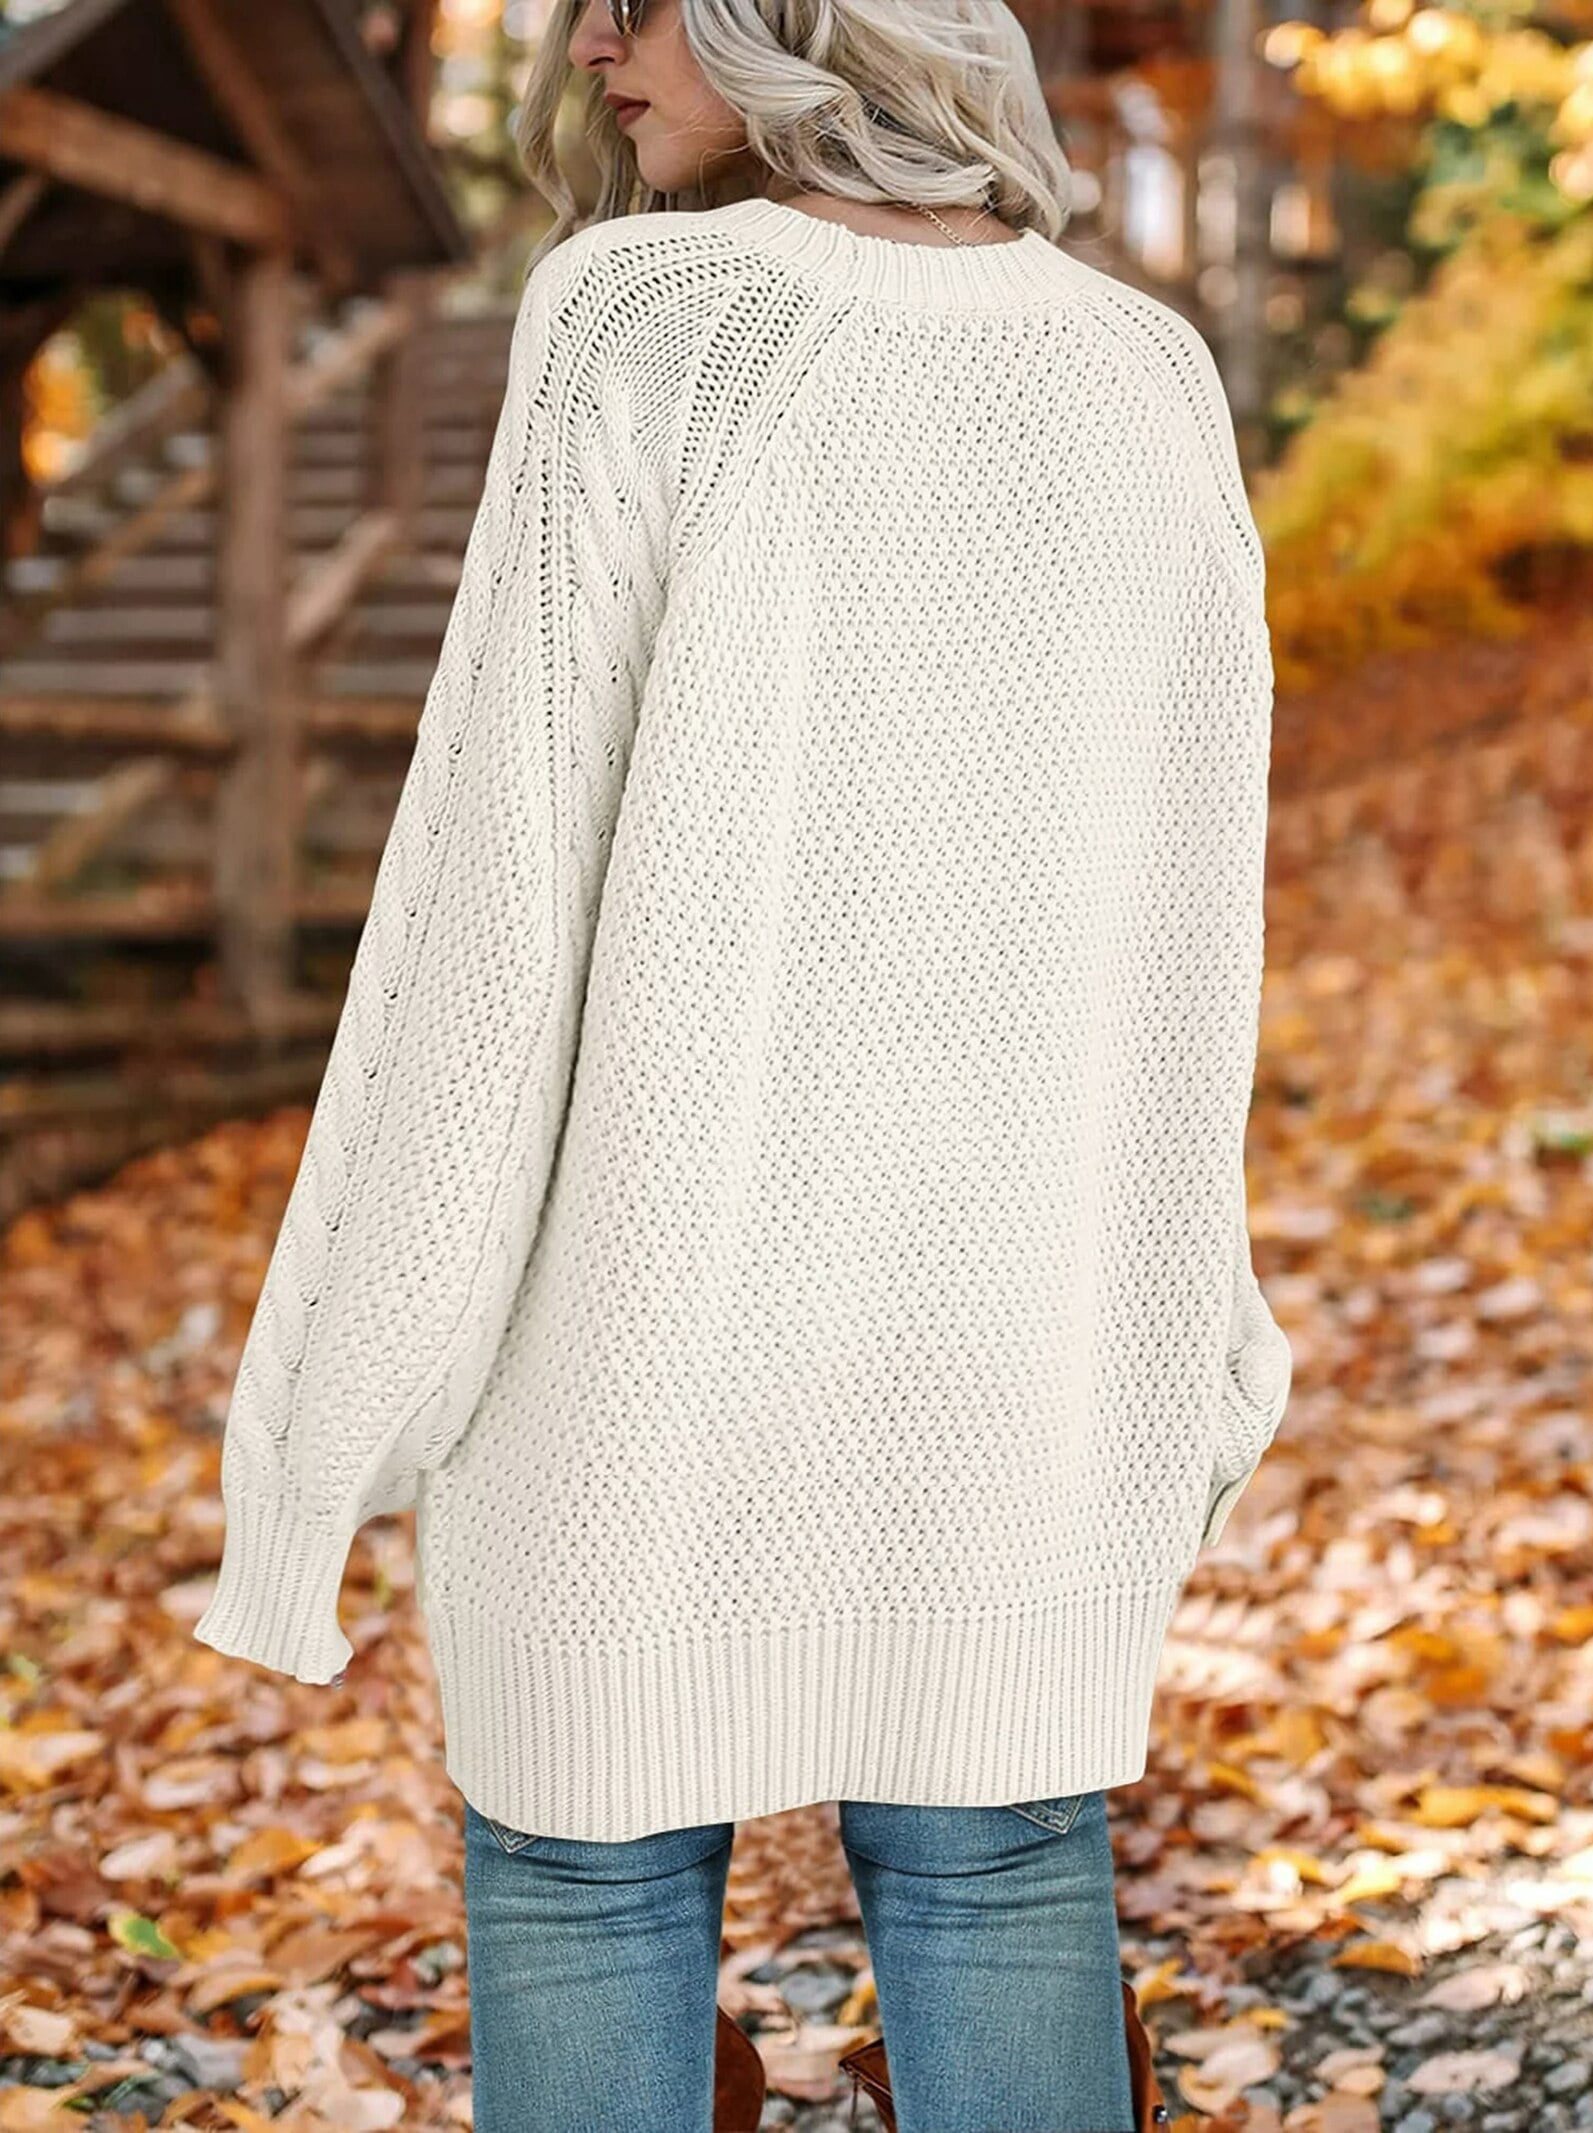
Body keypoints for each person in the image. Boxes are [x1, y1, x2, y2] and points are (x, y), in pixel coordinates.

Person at [193, 1, 1295, 2126]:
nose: (588, 42)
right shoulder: (1146, 372)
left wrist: (341, 1409)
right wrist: (1184, 1340)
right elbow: (1182, 946)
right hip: (1016, 1350)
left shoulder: (647, 314)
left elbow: (497, 904)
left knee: (586, 1878)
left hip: (637, 1342)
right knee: (997, 1866)